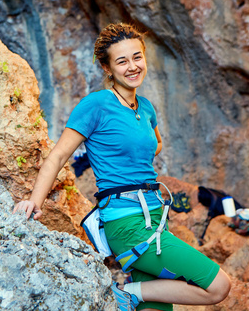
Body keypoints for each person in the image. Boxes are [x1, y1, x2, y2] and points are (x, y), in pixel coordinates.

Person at [13, 23, 231, 311]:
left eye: (137, 57)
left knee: (155, 306)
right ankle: (125, 290)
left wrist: (126, 156)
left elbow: (154, 144)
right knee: (218, 286)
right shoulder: (97, 105)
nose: (132, 66)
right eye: (122, 61)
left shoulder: (146, 108)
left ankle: (134, 294)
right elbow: (57, 156)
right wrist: (34, 201)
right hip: (127, 224)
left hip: (155, 217)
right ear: (107, 68)